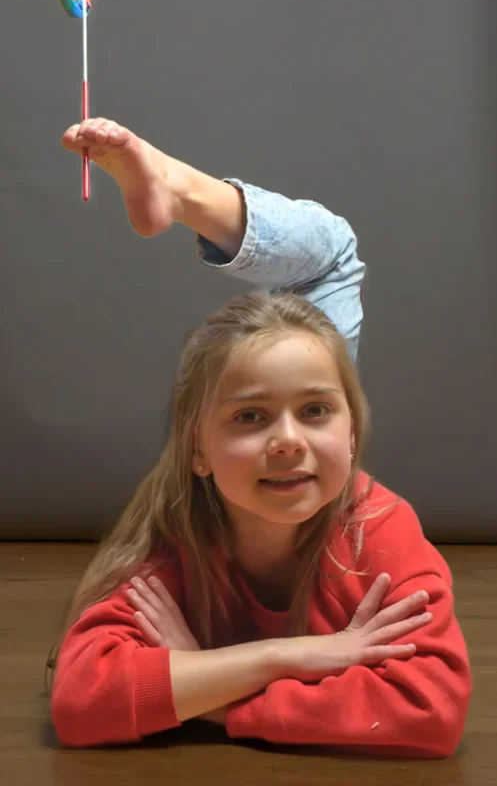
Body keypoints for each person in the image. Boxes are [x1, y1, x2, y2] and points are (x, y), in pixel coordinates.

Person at [48, 117, 471, 756]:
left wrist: (211, 692)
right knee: (332, 261)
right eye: (250, 418)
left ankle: (177, 188)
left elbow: (430, 713)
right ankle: (178, 189)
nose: (287, 441)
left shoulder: (376, 525)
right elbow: (82, 702)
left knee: (323, 291)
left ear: (354, 434)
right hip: (251, 437)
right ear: (195, 450)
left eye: (318, 415)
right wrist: (297, 655)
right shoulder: (174, 533)